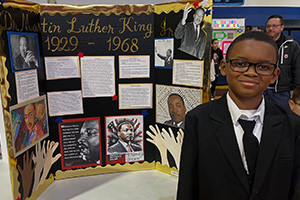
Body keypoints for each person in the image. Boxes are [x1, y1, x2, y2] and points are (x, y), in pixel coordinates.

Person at [177, 31, 300, 199]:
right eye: (241, 64)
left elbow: (295, 186)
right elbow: (188, 185)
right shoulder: (198, 120)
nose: (251, 72)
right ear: (223, 67)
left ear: (274, 75)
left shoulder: (292, 124)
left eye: (263, 67)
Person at [264, 14, 300, 107]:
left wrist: (294, 89)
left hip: (283, 91)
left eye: (274, 26)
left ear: (282, 27)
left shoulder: (291, 45)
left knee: (284, 118)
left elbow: (296, 68)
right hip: (263, 89)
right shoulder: (261, 44)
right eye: (268, 26)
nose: (271, 28)